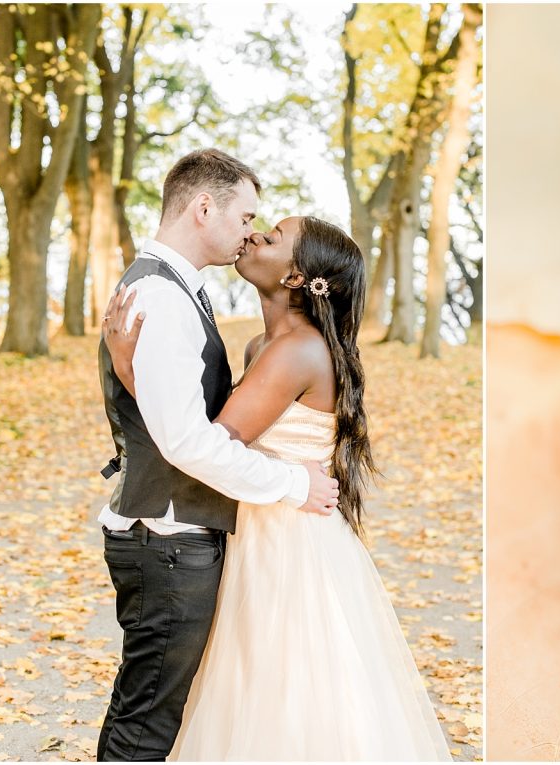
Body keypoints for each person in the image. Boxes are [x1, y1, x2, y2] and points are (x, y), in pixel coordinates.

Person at [102, 215, 453, 760]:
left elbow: (206, 442)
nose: (256, 236)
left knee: (281, 689)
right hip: (259, 519)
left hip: (286, 539)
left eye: (273, 237)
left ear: (295, 276)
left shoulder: (295, 350)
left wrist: (131, 369)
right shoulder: (262, 344)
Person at [95, 149, 340, 762]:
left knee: (166, 709)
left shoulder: (184, 291)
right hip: (169, 537)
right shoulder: (166, 294)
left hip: (193, 532)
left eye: (265, 226)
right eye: (247, 216)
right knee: (149, 717)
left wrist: (133, 376)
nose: (251, 231)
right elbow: (188, 439)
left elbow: (190, 420)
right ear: (205, 207)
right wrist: (291, 483)